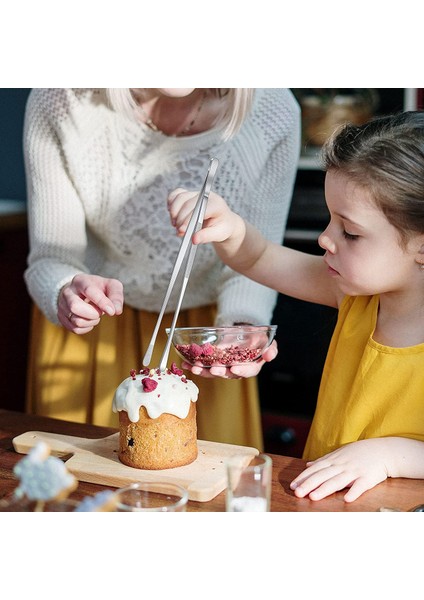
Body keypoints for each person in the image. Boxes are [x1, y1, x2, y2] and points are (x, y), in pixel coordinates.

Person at [23, 88, 301, 449]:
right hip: (91, 331)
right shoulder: (62, 98)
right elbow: (50, 257)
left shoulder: (273, 110)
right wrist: (64, 289)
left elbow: (257, 257)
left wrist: (241, 328)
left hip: (205, 336)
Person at [168, 110, 424, 501]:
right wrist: (231, 228)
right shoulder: (355, 295)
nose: (325, 238)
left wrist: (389, 455)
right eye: (330, 220)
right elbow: (258, 260)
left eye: (350, 232)